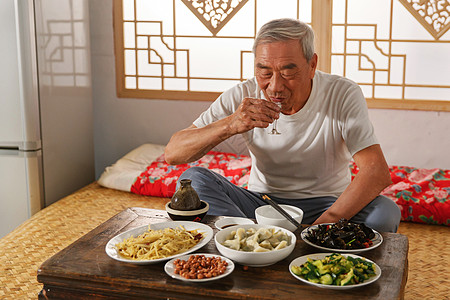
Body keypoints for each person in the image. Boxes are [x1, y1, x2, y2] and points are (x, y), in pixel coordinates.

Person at [164, 18, 401, 232]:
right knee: (194, 179)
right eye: (264, 72)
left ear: (312, 65)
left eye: (288, 72)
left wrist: (320, 227)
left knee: (385, 213)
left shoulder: (342, 93)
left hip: (329, 204)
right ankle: (253, 239)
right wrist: (231, 124)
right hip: (262, 204)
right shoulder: (242, 95)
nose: (275, 87)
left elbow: (375, 172)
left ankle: (255, 242)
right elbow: (174, 153)